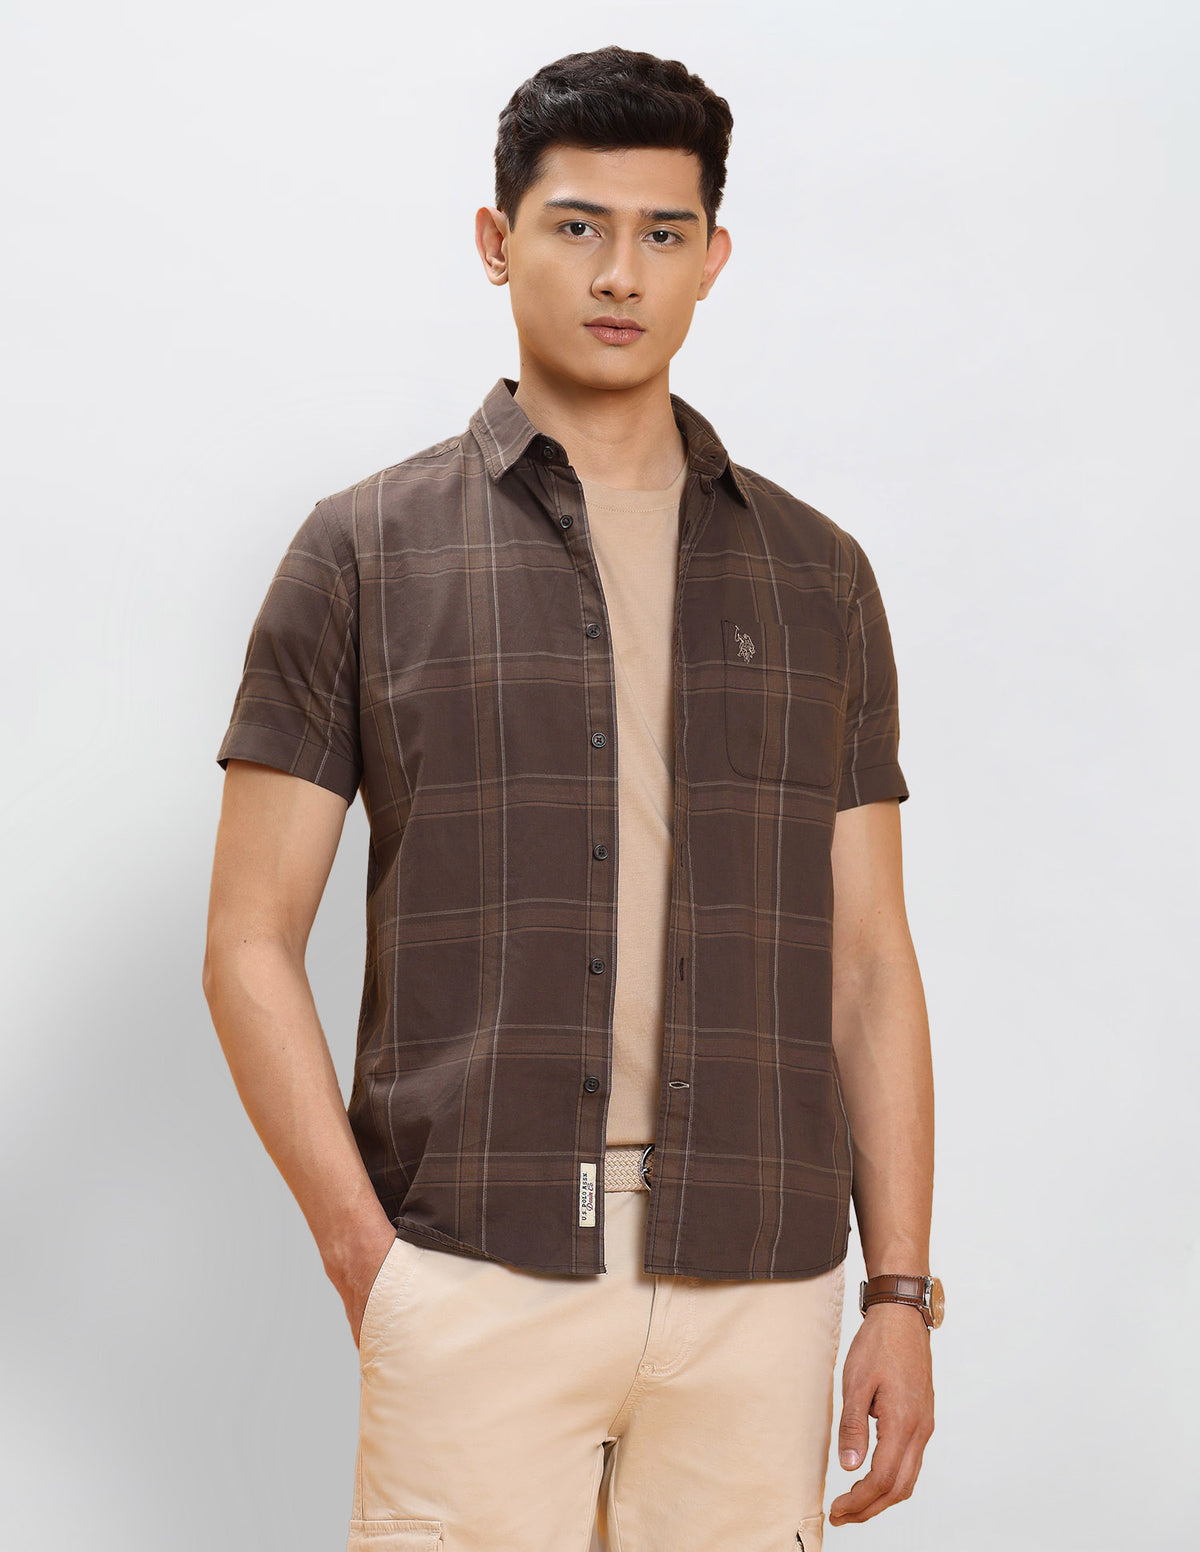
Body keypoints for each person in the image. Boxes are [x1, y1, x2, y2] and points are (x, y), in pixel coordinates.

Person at [203, 43, 940, 1552]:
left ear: (713, 258)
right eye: (578, 226)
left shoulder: (818, 576)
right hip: (474, 1271)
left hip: (761, 1284)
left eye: (664, 233)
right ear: (497, 240)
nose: (621, 273)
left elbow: (869, 959)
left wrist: (899, 1292)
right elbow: (247, 940)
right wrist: (367, 1261)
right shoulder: (365, 551)